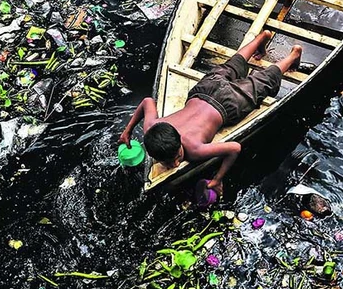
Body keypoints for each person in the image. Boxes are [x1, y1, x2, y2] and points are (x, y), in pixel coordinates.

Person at [118, 30, 303, 196]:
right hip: (205, 89)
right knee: (231, 66)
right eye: (169, 163)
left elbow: (234, 149)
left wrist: (218, 178)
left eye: (177, 157)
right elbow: (147, 102)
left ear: (180, 143)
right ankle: (261, 38)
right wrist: (127, 131)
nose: (175, 164)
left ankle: (293, 55)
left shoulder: (194, 149)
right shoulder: (151, 127)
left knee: (263, 81)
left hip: (229, 104)